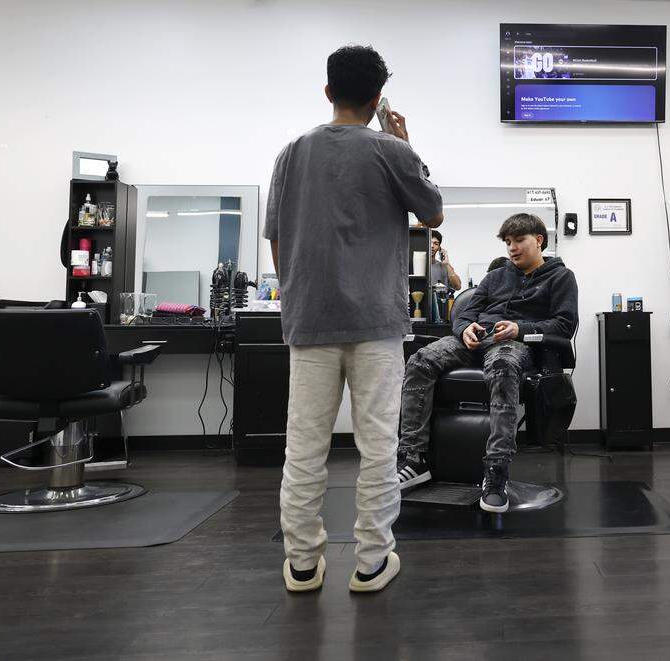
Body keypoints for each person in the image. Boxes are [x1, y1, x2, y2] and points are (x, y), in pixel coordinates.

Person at [265, 45, 443, 593]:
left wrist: (297, 294)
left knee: (305, 447)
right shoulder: (392, 150)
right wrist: (405, 144)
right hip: (376, 324)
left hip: (310, 321)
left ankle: (300, 564)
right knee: (378, 447)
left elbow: (276, 239)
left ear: (327, 92)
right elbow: (432, 212)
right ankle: (370, 562)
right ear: (377, 99)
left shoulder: (291, 152)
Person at [396, 213, 577, 512]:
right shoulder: (495, 277)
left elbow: (564, 325)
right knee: (420, 360)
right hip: (476, 338)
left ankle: (496, 471)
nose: (512, 248)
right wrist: (465, 328)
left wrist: (521, 329)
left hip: (514, 343)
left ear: (539, 240)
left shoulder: (561, 277)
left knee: (502, 367)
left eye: (519, 240)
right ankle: (414, 459)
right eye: (508, 242)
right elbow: (467, 312)